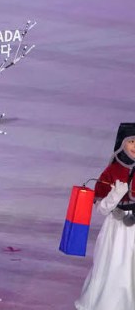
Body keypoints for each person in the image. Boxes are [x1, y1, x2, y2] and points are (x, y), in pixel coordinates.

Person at [75, 123, 135, 310]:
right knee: (115, 265)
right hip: (117, 230)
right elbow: (101, 209)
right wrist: (114, 196)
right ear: (123, 143)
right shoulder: (112, 171)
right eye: (132, 141)